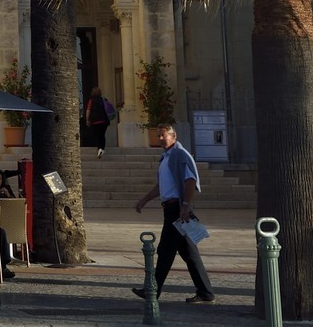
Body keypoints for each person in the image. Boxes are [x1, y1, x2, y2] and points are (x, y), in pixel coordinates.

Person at [133, 122, 215, 304]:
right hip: (170, 208)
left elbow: (191, 180)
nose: (160, 138)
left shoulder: (180, 155)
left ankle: (151, 290)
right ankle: (206, 293)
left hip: (177, 210)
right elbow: (161, 186)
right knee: (189, 254)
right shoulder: (166, 158)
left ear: (174, 136)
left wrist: (185, 206)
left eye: (163, 135)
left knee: (165, 251)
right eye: (158, 135)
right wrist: (144, 199)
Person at [84, 86, 114, 157]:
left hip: (95, 121)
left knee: (97, 136)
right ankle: (102, 149)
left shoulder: (91, 100)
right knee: (102, 135)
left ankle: (99, 148)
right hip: (104, 121)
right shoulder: (104, 100)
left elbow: (88, 110)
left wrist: (87, 119)